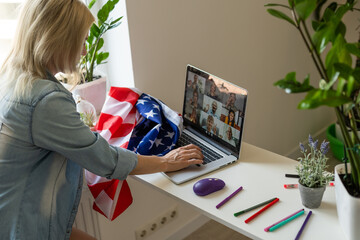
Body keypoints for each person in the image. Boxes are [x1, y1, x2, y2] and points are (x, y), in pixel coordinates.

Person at [0, 1, 203, 240]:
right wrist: (165, 162)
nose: (85, 51)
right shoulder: (45, 100)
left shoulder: (13, 77)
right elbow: (105, 160)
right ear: (59, 38)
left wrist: (78, 131)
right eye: (82, 40)